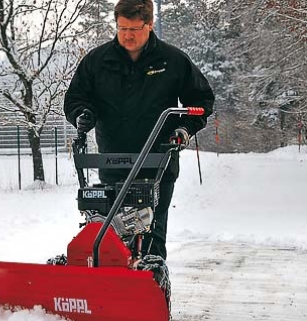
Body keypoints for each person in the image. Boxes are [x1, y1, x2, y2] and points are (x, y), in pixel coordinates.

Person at [64, 0, 215, 261]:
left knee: (151, 241)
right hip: (113, 163)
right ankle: (104, 293)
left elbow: (201, 102)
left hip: (158, 164)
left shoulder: (172, 60)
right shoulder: (98, 61)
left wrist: (183, 129)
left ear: (149, 24)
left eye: (134, 28)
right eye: (122, 28)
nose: (127, 35)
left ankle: (152, 287)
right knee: (106, 236)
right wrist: (82, 114)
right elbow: (76, 97)